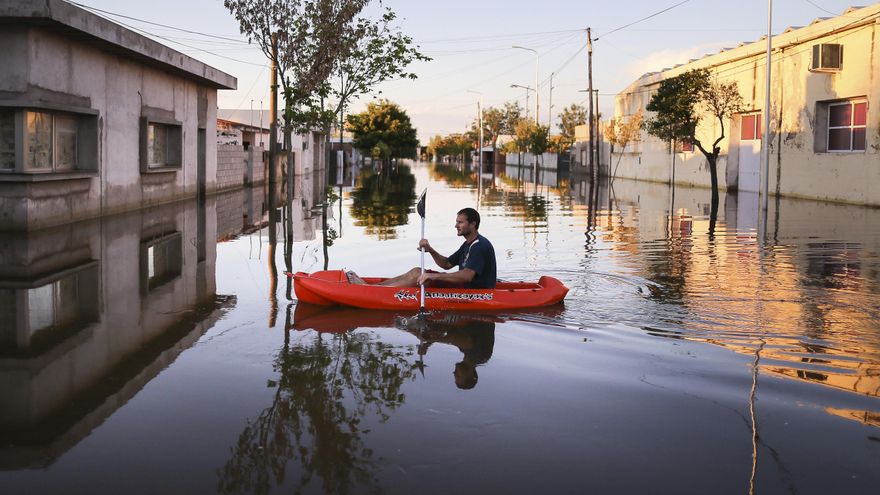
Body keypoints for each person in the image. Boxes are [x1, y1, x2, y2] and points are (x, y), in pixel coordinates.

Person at [347, 207, 496, 289]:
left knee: (419, 276)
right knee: (416, 271)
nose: (456, 226)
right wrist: (430, 249)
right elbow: (447, 264)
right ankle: (372, 287)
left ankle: (372, 291)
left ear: (473, 224)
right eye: (457, 222)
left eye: (460, 222)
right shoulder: (468, 244)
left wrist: (434, 276)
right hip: (464, 287)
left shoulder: (480, 246)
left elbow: (467, 276)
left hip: (474, 293)